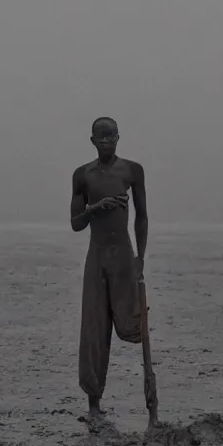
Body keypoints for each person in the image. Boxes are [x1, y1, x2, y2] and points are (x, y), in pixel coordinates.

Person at [69, 117, 148, 419]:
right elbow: (76, 224)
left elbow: (142, 216)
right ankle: (94, 403)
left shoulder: (132, 171)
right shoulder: (83, 175)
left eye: (111, 137)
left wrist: (141, 257)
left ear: (119, 137)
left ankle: (149, 394)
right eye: (101, 138)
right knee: (94, 328)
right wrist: (95, 207)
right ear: (92, 140)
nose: (106, 142)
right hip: (97, 258)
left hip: (124, 256)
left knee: (133, 323)